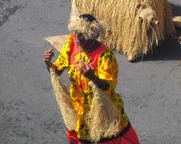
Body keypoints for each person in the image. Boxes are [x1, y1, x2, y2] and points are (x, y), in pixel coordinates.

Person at [43, 14, 140, 143]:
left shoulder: (105, 56)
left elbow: (107, 86)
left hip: (102, 111)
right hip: (79, 110)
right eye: (75, 33)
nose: (77, 38)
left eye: (81, 35)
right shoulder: (72, 43)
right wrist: (48, 63)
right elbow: (57, 70)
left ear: (91, 36)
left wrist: (92, 77)